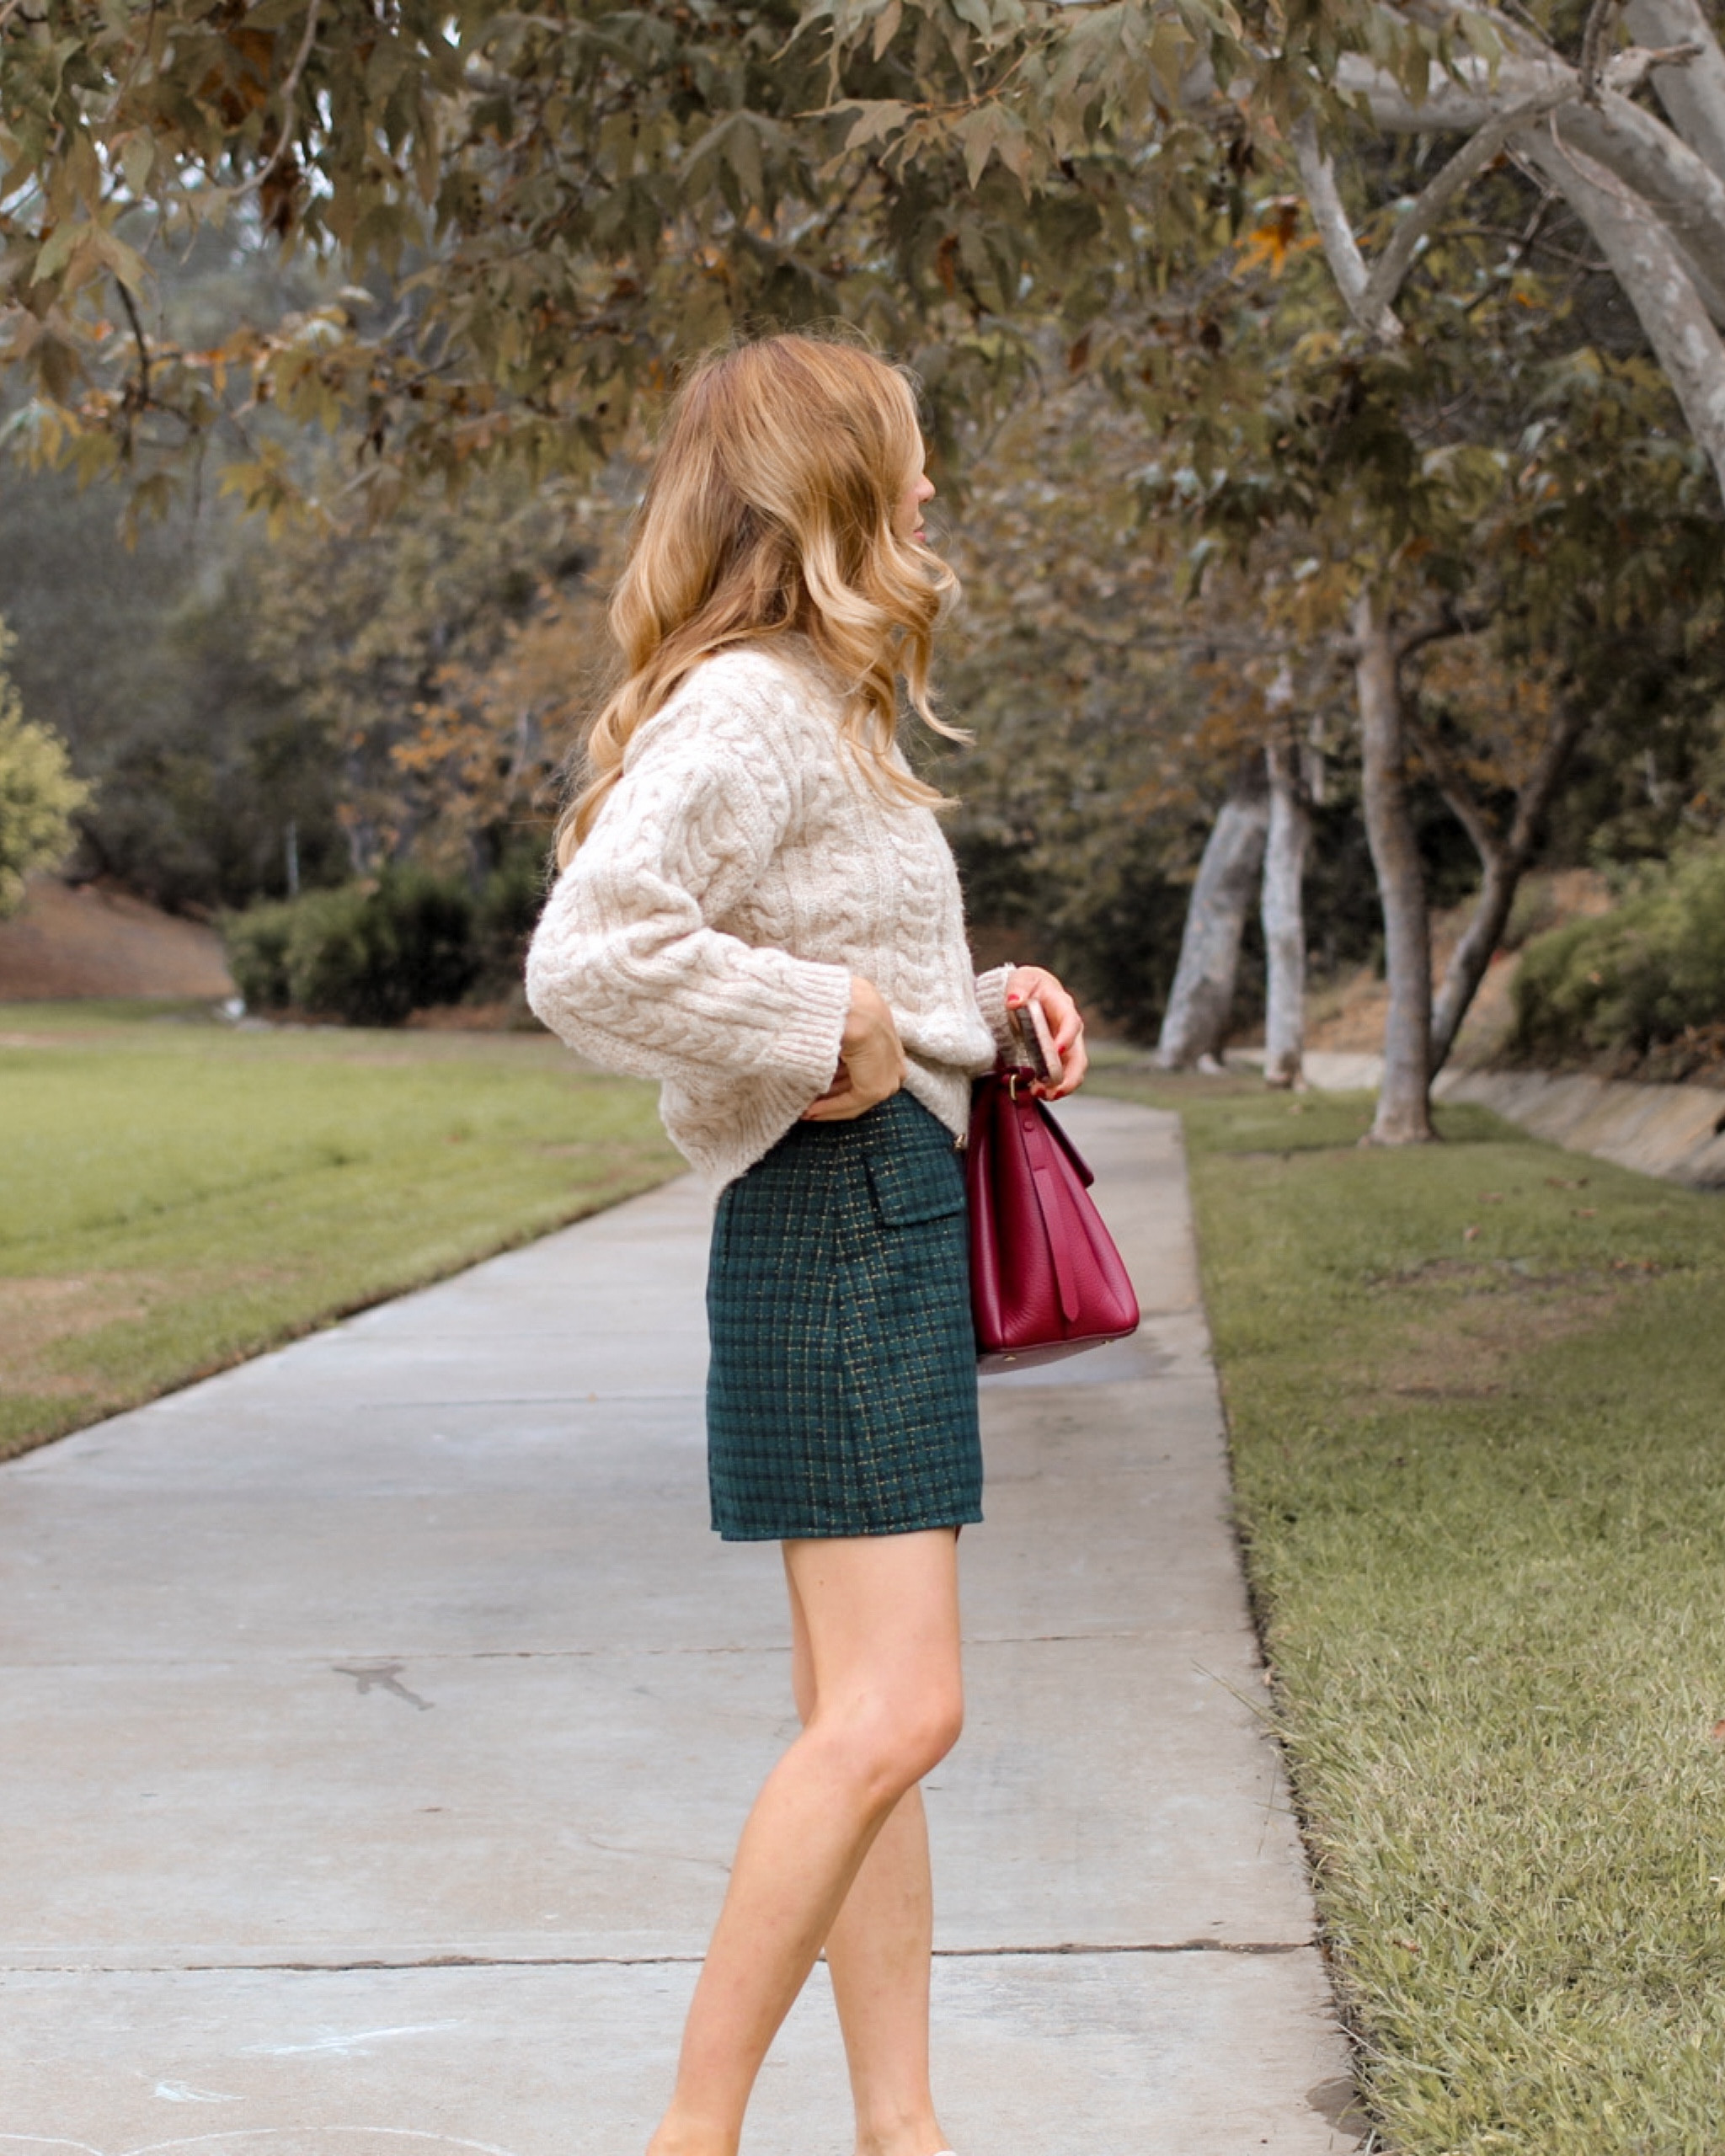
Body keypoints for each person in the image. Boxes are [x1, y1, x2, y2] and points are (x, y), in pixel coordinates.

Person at [525, 332, 1088, 2156]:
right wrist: (822, 1024)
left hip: (867, 1210)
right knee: (899, 1709)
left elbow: (867, 983)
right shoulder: (754, 704)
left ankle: (900, 2125)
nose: (931, 489)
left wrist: (978, 1005)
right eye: (910, 460)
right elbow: (593, 952)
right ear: (839, 485)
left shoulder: (813, 701)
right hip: (841, 1219)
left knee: (863, 1723)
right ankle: (691, 2133)